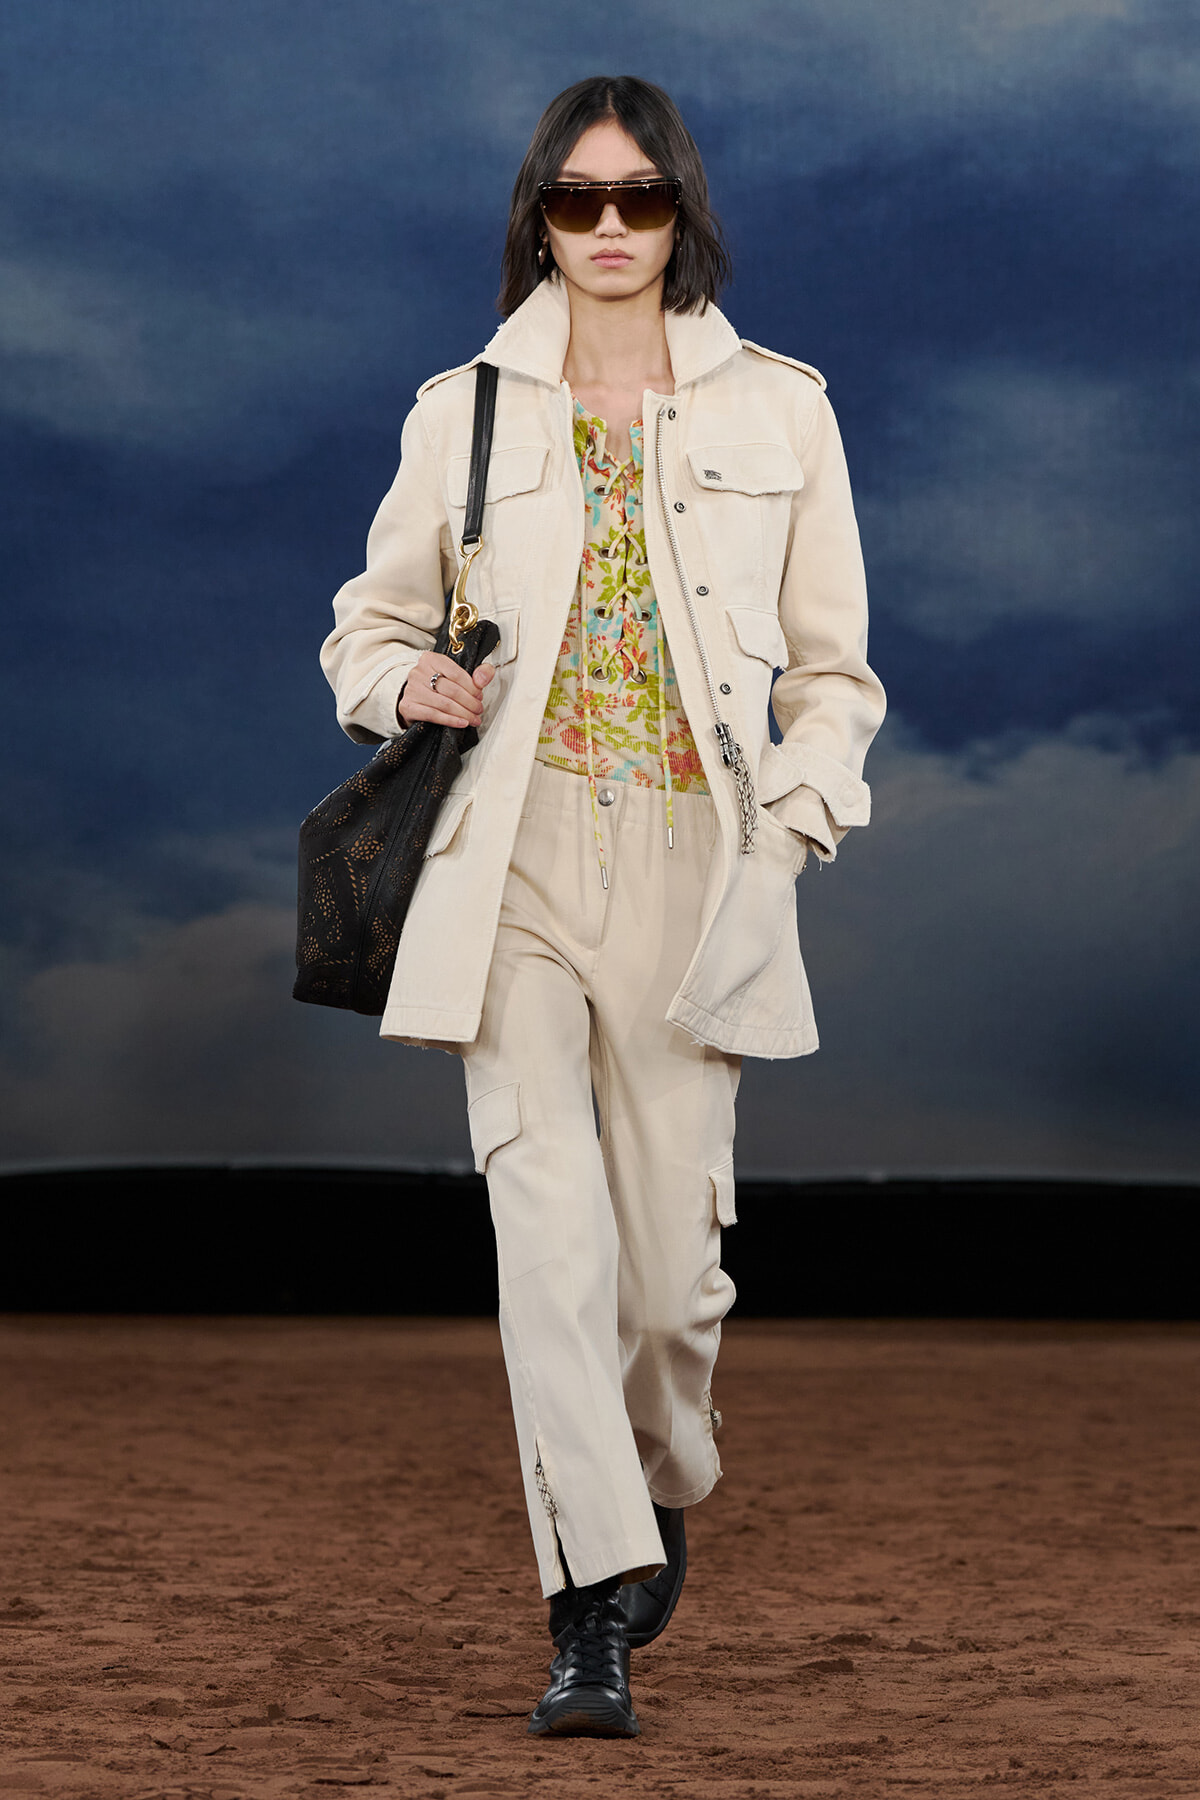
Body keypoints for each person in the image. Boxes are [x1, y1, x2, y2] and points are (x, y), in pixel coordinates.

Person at [320, 75, 886, 1738]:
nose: (614, 229)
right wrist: (402, 681)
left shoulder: (784, 408)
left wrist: (795, 818)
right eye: (581, 201)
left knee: (661, 1293)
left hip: (704, 866)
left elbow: (838, 675)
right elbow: (366, 622)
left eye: (641, 199)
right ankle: (587, 1613)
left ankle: (659, 1484)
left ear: (685, 211)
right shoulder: (468, 411)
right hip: (513, 855)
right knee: (545, 1235)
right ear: (539, 216)